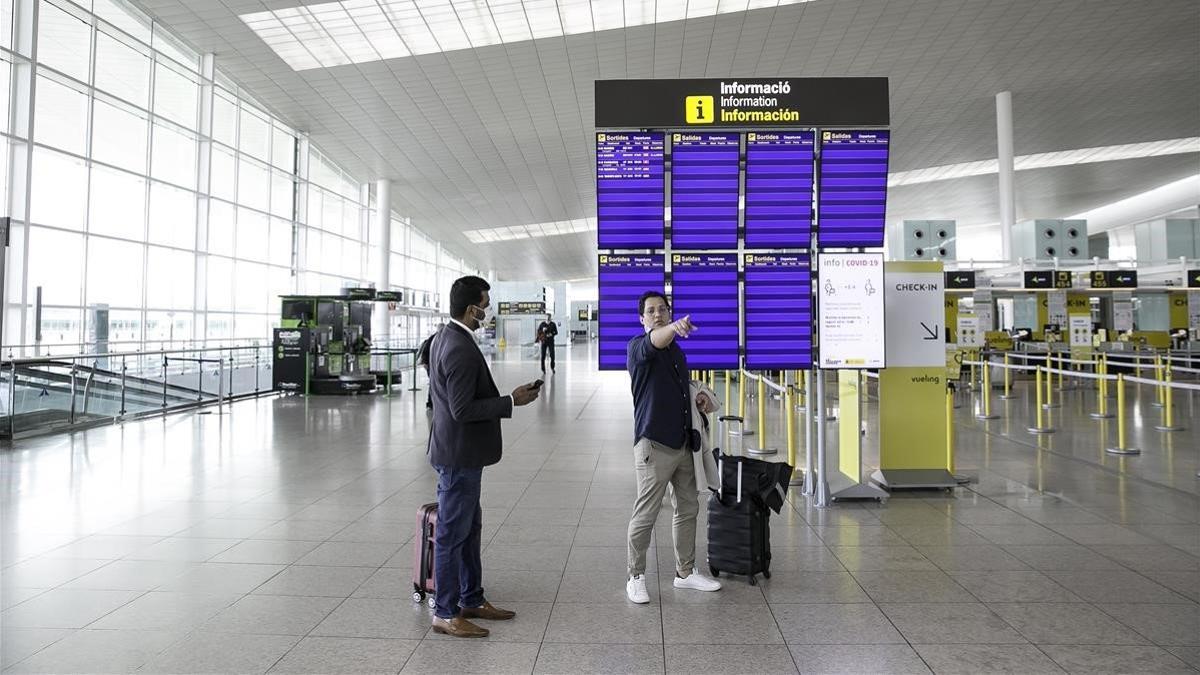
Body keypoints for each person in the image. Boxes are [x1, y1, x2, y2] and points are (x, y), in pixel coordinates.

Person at [427, 275, 541, 638]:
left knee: (469, 529)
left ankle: (470, 597)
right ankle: (446, 613)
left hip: (459, 452)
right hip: (459, 456)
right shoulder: (458, 346)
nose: (487, 311)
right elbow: (461, 409)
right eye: (485, 305)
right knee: (451, 534)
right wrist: (511, 401)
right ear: (470, 308)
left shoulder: (446, 337)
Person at [625, 291, 721, 604]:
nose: (657, 314)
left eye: (663, 310)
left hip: (683, 444)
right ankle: (635, 576)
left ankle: (685, 572)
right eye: (651, 311)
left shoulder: (677, 353)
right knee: (646, 513)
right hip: (654, 444)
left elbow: (679, 389)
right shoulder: (638, 347)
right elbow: (657, 340)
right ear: (642, 319)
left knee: (688, 508)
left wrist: (698, 398)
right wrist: (674, 327)